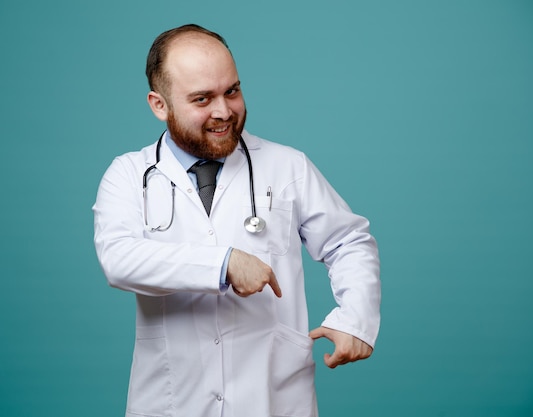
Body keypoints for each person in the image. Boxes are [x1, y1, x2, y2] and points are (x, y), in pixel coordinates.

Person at [93, 23, 381, 417]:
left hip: (273, 400)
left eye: (232, 91)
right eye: (202, 99)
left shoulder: (287, 166)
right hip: (171, 402)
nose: (224, 111)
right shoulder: (128, 175)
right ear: (159, 104)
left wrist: (356, 318)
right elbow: (120, 259)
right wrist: (224, 263)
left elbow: (348, 241)